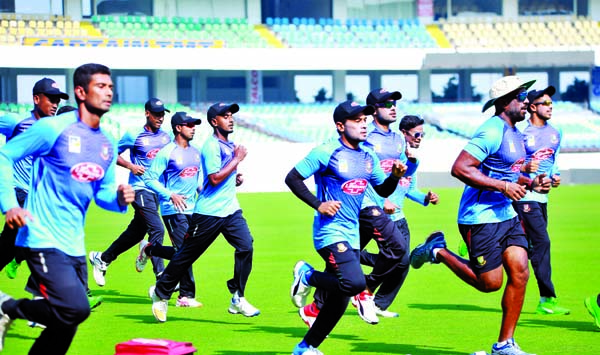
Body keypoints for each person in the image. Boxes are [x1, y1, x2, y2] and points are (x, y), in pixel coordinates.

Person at [409, 75, 551, 355]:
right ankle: (438, 251)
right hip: (479, 217)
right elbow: (460, 168)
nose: (526, 102)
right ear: (504, 102)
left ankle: (504, 345)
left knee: (520, 272)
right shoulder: (491, 130)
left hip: (505, 216)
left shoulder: (515, 134)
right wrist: (504, 186)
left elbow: (508, 173)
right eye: (521, 97)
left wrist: (531, 183)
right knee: (490, 284)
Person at [0, 63, 134, 354]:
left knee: (64, 327)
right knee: (77, 308)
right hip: (41, 238)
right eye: (101, 86)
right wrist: (9, 204)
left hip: (74, 244)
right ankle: (6, 306)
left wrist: (120, 198)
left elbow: (103, 194)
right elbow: (4, 156)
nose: (108, 92)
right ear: (80, 92)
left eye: (110, 86)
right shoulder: (51, 129)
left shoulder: (106, 143)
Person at [285, 100, 407, 355]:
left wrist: (394, 176)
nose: (363, 125)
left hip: (351, 233)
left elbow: (381, 189)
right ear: (340, 125)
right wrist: (318, 204)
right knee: (353, 283)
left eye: (365, 120)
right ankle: (306, 275)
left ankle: (305, 347)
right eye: (357, 120)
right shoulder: (325, 151)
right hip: (329, 232)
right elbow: (292, 178)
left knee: (340, 299)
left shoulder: (367, 155)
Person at [150, 102, 260, 322]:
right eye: (225, 116)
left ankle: (237, 296)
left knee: (246, 246)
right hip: (209, 213)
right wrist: (237, 160)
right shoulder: (211, 146)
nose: (230, 119)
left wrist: (235, 177)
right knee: (187, 254)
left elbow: (219, 178)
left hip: (230, 210)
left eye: (231, 115)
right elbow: (214, 178)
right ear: (214, 122)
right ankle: (161, 294)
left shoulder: (229, 146)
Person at [358, 114, 440, 318]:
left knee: (402, 263)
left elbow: (409, 188)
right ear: (403, 134)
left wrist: (425, 198)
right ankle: (330, 294)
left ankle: (377, 304)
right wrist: (381, 201)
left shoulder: (410, 161)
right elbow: (369, 181)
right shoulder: (385, 155)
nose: (420, 138)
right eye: (417, 134)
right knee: (398, 259)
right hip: (376, 214)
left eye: (423, 134)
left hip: (398, 217)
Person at [89, 98, 171, 286]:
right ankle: (161, 276)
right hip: (139, 189)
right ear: (147, 113)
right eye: (157, 114)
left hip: (156, 192)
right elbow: (111, 153)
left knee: (136, 232)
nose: (160, 118)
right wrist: (130, 165)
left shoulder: (166, 137)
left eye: (162, 114)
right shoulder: (133, 134)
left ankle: (103, 258)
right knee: (157, 228)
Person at [0, 77, 68, 279]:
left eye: (58, 100)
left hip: (36, 196)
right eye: (51, 99)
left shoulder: (54, 130)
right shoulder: (17, 121)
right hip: (16, 191)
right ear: (36, 99)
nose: (55, 104)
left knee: (7, 247)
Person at [514, 86, 569, 316]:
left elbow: (552, 162)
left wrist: (555, 177)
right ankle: (547, 299)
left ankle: (476, 240)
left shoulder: (556, 132)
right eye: (545, 103)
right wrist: (527, 176)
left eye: (551, 103)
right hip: (525, 196)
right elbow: (511, 167)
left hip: (542, 197)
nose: (550, 106)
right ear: (533, 107)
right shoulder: (521, 135)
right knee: (542, 243)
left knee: (523, 245)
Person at [140, 111, 203, 308]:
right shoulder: (167, 152)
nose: (193, 128)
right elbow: (149, 178)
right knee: (186, 252)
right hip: (172, 208)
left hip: (193, 209)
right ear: (178, 128)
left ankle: (150, 249)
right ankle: (185, 296)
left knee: (184, 251)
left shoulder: (196, 151)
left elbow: (198, 180)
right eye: (189, 125)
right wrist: (170, 195)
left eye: (194, 125)